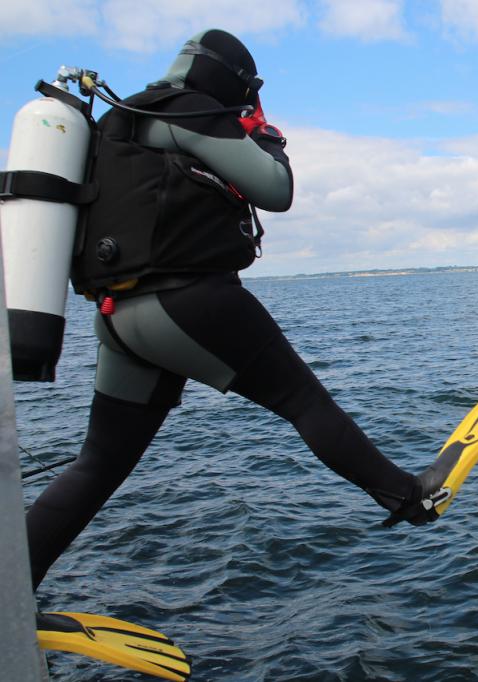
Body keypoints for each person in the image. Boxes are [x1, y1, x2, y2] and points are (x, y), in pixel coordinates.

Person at [25, 29, 436, 592]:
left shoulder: (117, 124)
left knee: (96, 465)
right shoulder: (189, 111)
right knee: (302, 400)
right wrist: (265, 135)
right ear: (230, 80)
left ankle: (12, 587)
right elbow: (276, 188)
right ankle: (408, 496)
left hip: (119, 317)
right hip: (190, 302)